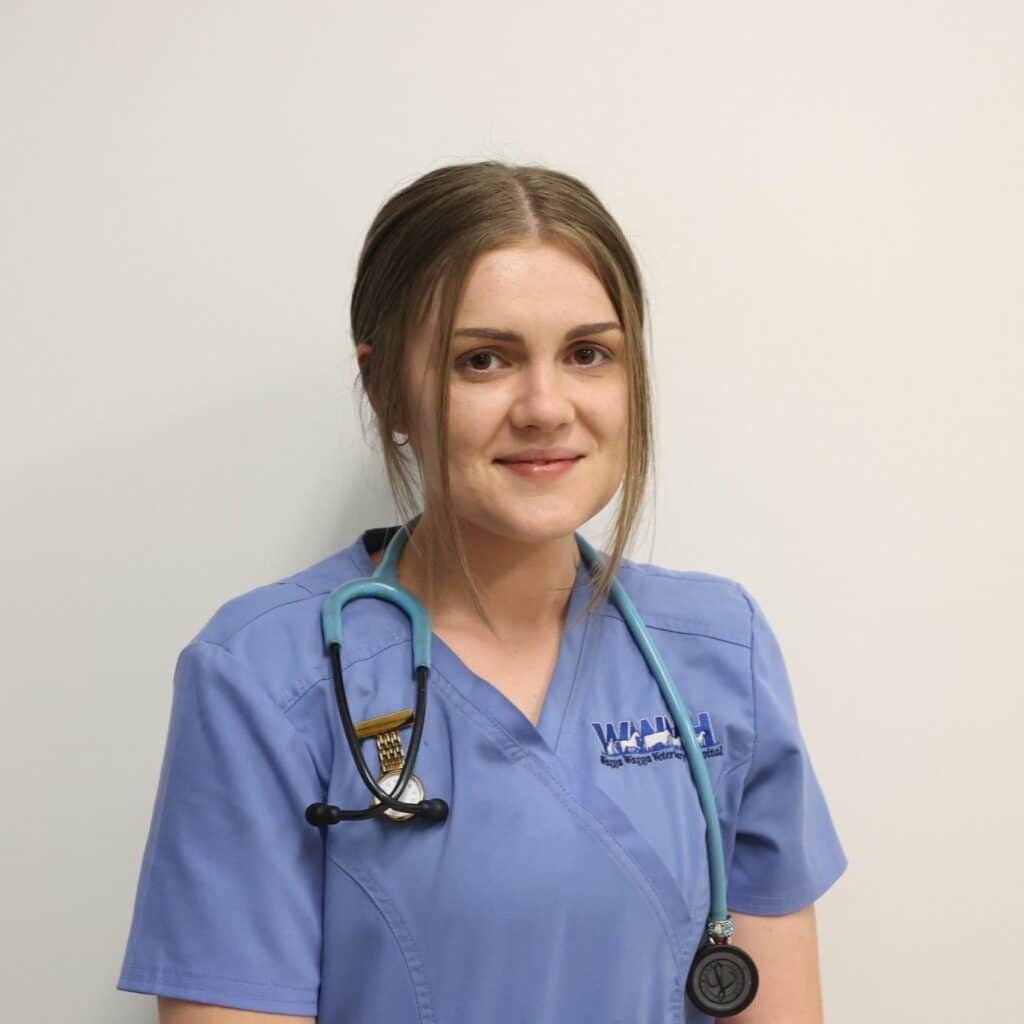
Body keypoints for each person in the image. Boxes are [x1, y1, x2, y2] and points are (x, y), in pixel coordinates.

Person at [116, 161, 848, 1023]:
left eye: (587, 354)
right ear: (386, 387)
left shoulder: (720, 649)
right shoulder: (264, 677)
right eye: (483, 360)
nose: (545, 407)